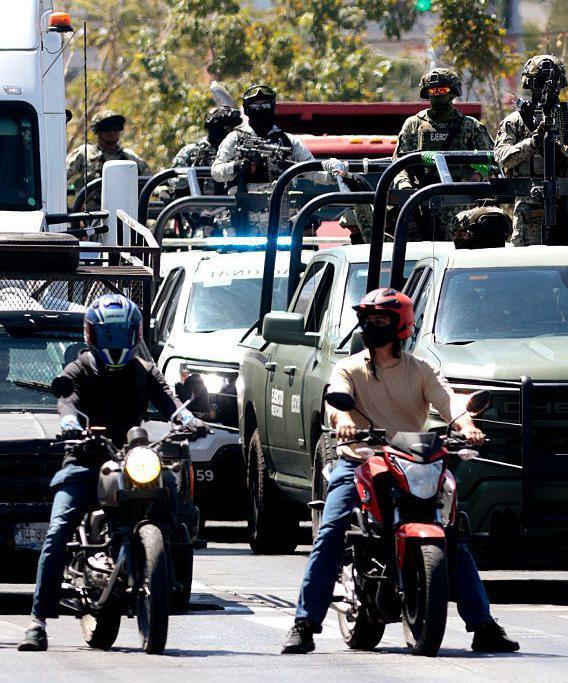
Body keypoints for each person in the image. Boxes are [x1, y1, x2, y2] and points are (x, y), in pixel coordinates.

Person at [281, 288, 519, 655]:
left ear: (400, 326)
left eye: (380, 320)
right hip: (360, 461)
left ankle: (483, 625)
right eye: (368, 320)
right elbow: (335, 400)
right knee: (331, 532)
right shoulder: (348, 368)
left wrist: (467, 425)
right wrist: (344, 420)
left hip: (413, 462)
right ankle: (304, 623)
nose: (371, 326)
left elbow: (450, 402)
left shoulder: (421, 370)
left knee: (453, 535)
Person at [18, 294, 204, 652]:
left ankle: (165, 566)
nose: (115, 342)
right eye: (108, 335)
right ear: (92, 335)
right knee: (58, 530)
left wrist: (189, 419)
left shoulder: (144, 370)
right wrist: (70, 422)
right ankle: (38, 622)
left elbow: (170, 401)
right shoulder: (79, 368)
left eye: (121, 334)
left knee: (169, 487)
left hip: (133, 457)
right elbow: (67, 400)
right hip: (86, 457)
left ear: (135, 334)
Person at [211, 84, 360, 233]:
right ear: (247, 109)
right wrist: (236, 166)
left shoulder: (288, 141)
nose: (260, 109)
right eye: (255, 106)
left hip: (280, 220)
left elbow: (313, 171)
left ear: (272, 107)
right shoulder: (234, 139)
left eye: (265, 105)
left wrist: (339, 175)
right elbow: (216, 172)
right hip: (241, 221)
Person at [493, 55, 568, 246]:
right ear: (530, 84)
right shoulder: (516, 121)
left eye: (552, 83)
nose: (547, 88)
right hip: (529, 203)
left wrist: (566, 154)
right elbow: (503, 158)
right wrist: (532, 143)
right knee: (527, 262)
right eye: (541, 82)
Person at [391, 67, 494, 241]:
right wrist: (405, 187)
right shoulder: (413, 125)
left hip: (459, 204)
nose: (437, 94)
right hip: (421, 201)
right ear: (426, 92)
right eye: (433, 90)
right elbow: (398, 163)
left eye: (442, 90)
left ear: (452, 92)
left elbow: (492, 159)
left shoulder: (469, 126)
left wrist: (478, 176)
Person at [66, 110, 151, 197]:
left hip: (124, 204)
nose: (112, 132)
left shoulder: (130, 157)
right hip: (92, 205)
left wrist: (158, 191)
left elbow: (150, 182)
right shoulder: (85, 153)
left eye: (116, 129)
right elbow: (62, 176)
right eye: (107, 129)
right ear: (98, 131)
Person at [171, 105, 243, 193]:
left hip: (234, 199)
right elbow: (176, 182)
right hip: (200, 199)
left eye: (232, 128)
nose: (230, 131)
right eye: (227, 127)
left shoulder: (242, 149)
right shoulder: (192, 152)